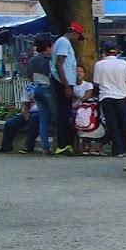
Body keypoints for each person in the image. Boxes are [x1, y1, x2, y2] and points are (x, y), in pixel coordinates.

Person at [93, 42, 126, 157]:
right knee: (123, 123)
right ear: (116, 51)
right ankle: (123, 147)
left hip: (106, 95)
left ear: (104, 51)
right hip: (121, 95)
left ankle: (117, 148)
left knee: (112, 123)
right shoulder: (123, 63)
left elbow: (97, 82)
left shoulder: (99, 64)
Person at [50, 21, 83, 154]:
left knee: (65, 113)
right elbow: (60, 64)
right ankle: (62, 145)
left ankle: (65, 143)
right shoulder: (64, 42)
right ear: (73, 33)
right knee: (63, 115)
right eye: (77, 37)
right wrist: (66, 86)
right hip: (63, 82)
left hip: (65, 82)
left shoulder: (62, 42)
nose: (76, 40)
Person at [26, 36, 55, 155]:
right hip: (48, 89)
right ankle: (59, 143)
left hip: (37, 88)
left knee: (42, 119)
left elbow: (28, 75)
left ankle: (45, 147)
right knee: (55, 116)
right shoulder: (50, 59)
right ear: (47, 48)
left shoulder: (33, 60)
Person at [0, 82, 40, 154]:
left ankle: (29, 146)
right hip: (30, 111)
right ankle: (6, 147)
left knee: (34, 119)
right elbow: (25, 102)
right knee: (10, 123)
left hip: (42, 112)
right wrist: (25, 111)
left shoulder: (47, 86)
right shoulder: (29, 87)